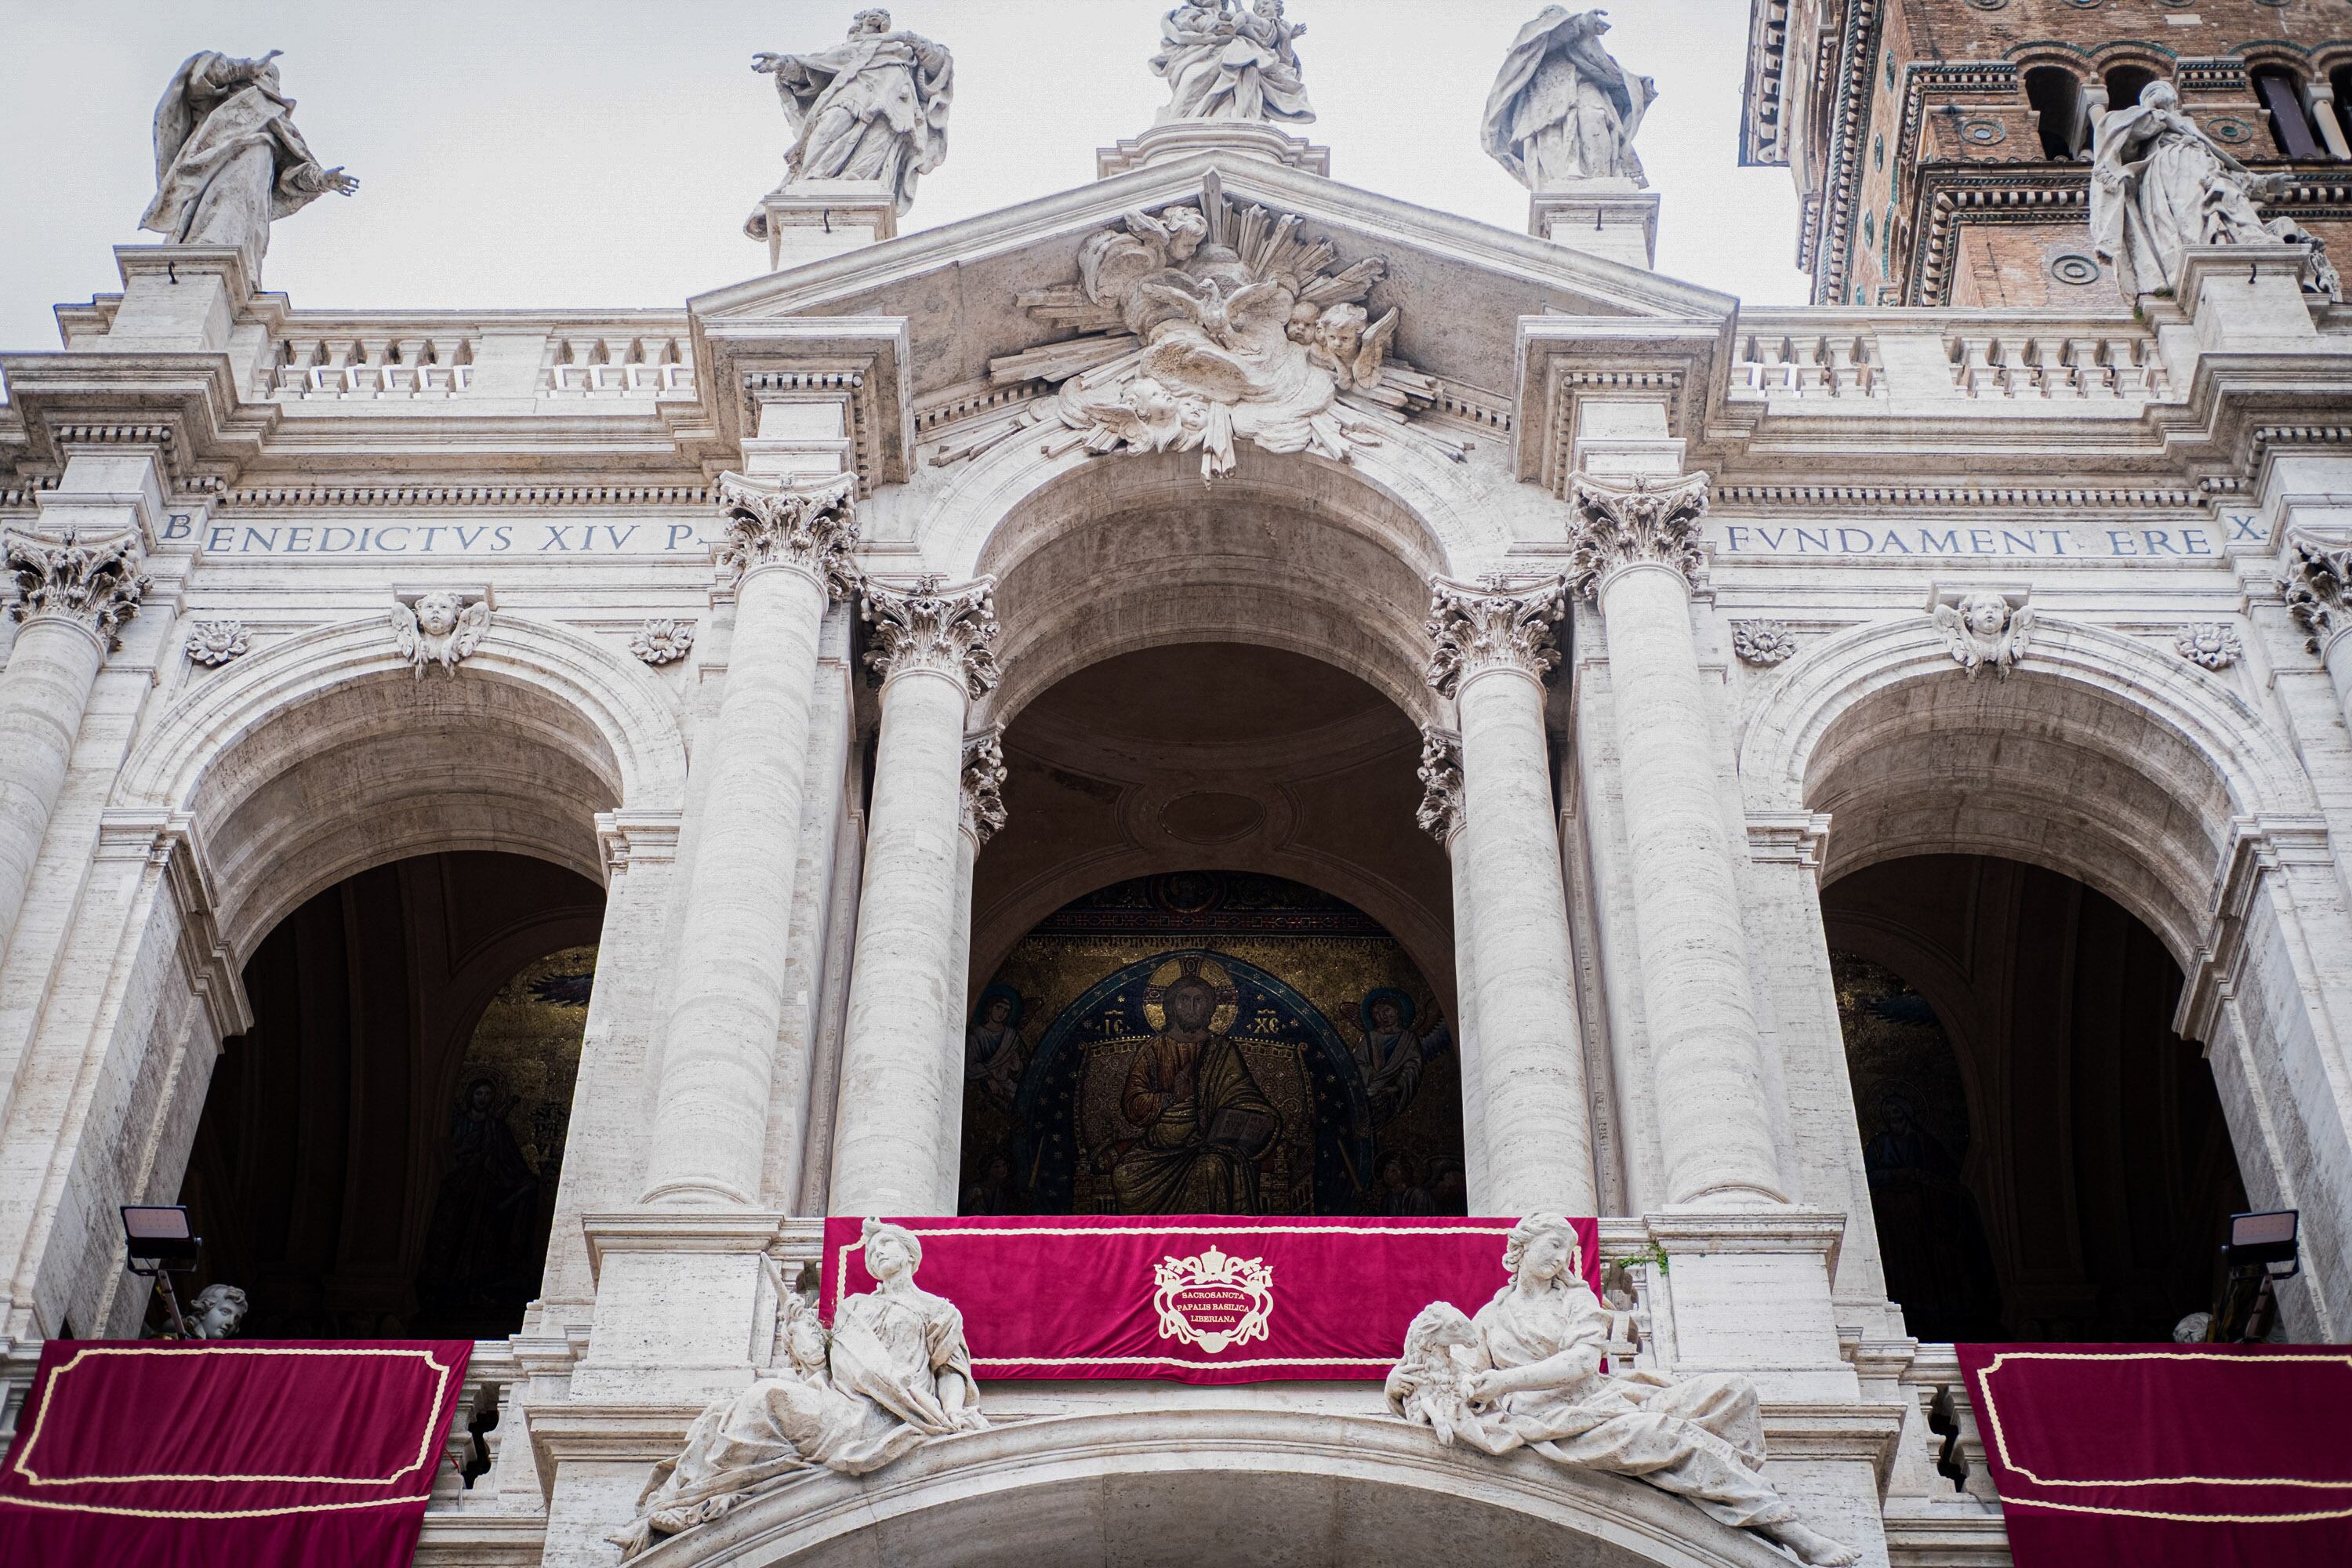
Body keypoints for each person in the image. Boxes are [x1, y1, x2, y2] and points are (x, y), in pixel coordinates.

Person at [1404, 1215, 1860, 1567]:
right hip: (1551, 1421)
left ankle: (1736, 1502)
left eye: (1568, 1248)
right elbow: (1453, 1376)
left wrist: (1505, 1380)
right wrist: (1399, 1382)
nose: (1561, 1257)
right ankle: (1789, 1529)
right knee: (1669, 1437)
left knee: (1734, 1391)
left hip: (1599, 1397)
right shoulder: (1487, 1318)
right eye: (1552, 1244)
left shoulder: (1577, 1300)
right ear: (1522, 1246)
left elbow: (1582, 1363)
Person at [612, 1221, 985, 1559]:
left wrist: (952, 1414)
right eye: (872, 1251)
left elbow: (949, 1369)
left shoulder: (939, 1310)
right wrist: (799, 1327)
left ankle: (696, 1498)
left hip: (894, 1414)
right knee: (760, 1399)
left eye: (886, 1245)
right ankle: (691, 1497)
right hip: (845, 1404)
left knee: (767, 1400)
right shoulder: (855, 1307)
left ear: (910, 1254)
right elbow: (824, 1366)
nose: (878, 1253)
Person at [141, 52, 357, 267]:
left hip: (254, 168)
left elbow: (294, 168)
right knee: (205, 217)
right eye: (262, 73)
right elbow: (199, 78)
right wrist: (243, 67)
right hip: (210, 167)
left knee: (237, 215)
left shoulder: (274, 116)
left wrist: (322, 180)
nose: (263, 78)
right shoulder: (216, 104)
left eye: (268, 76)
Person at [749, 8, 953, 226]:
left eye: (882, 18)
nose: (878, 18)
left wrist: (908, 38)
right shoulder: (848, 51)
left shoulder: (900, 49)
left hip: (892, 106)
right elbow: (813, 68)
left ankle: (853, 184)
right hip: (851, 98)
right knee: (826, 134)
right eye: (870, 18)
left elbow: (940, 62)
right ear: (859, 24)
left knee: (873, 156)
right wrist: (784, 65)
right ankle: (810, 181)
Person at [2091, 80, 2278, 300]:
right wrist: (2153, 114)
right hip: (2167, 169)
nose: (2157, 92)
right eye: (2150, 91)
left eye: (2163, 89)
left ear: (2175, 99)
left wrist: (2263, 185)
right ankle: (2194, 262)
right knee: (2185, 212)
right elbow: (2120, 142)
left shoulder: (2186, 124)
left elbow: (2226, 168)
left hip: (2202, 167)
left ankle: (2226, 245)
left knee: (2219, 203)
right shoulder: (2138, 117)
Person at [1112, 972, 1282, 1212]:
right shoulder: (1153, 1049)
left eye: (1199, 1000)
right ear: (1171, 1006)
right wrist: (1171, 1098)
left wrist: (1252, 1117)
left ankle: (1211, 1238)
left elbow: (1242, 1094)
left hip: (1207, 1146)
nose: (1191, 1007)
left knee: (1211, 1166)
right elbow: (1132, 1104)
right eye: (1184, 1000)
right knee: (1124, 1174)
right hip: (1159, 1150)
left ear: (1211, 1008)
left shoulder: (1221, 1050)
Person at [1482, 9, 1654, 190]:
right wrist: (1578, 25)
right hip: (1545, 99)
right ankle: (1566, 181)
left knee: (1595, 119)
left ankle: (1602, 180)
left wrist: (1638, 86)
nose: (1558, 23)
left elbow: (1608, 68)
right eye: (1556, 21)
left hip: (1585, 89)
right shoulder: (1532, 38)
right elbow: (1541, 41)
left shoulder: (1580, 43)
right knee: (1554, 142)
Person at [1150, 0, 1315, 126]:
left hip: (1236, 59)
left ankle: (1241, 116)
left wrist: (1286, 39)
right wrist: (1220, 28)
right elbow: (1188, 28)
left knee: (1247, 59)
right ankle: (1182, 123)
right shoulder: (1183, 15)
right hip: (1196, 58)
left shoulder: (1252, 24)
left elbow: (1280, 58)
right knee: (1190, 84)